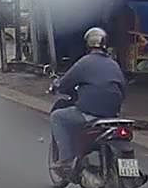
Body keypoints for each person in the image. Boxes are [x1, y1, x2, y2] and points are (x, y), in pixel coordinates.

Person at [50, 27, 126, 172]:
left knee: (57, 117)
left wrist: (55, 85)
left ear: (87, 44)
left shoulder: (84, 62)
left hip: (90, 113)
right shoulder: (114, 64)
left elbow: (65, 82)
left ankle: (66, 161)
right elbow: (123, 89)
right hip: (112, 115)